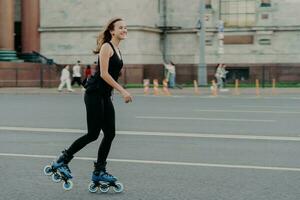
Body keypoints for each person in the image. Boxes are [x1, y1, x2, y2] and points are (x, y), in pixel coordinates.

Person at [50, 17, 132, 185]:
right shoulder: (106, 47)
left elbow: (112, 75)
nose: (124, 30)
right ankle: (62, 160)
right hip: (94, 94)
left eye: (126, 28)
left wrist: (111, 92)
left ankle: (99, 171)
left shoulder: (117, 49)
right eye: (121, 27)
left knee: (110, 133)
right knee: (93, 134)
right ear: (112, 31)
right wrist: (122, 90)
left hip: (104, 95)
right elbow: (104, 74)